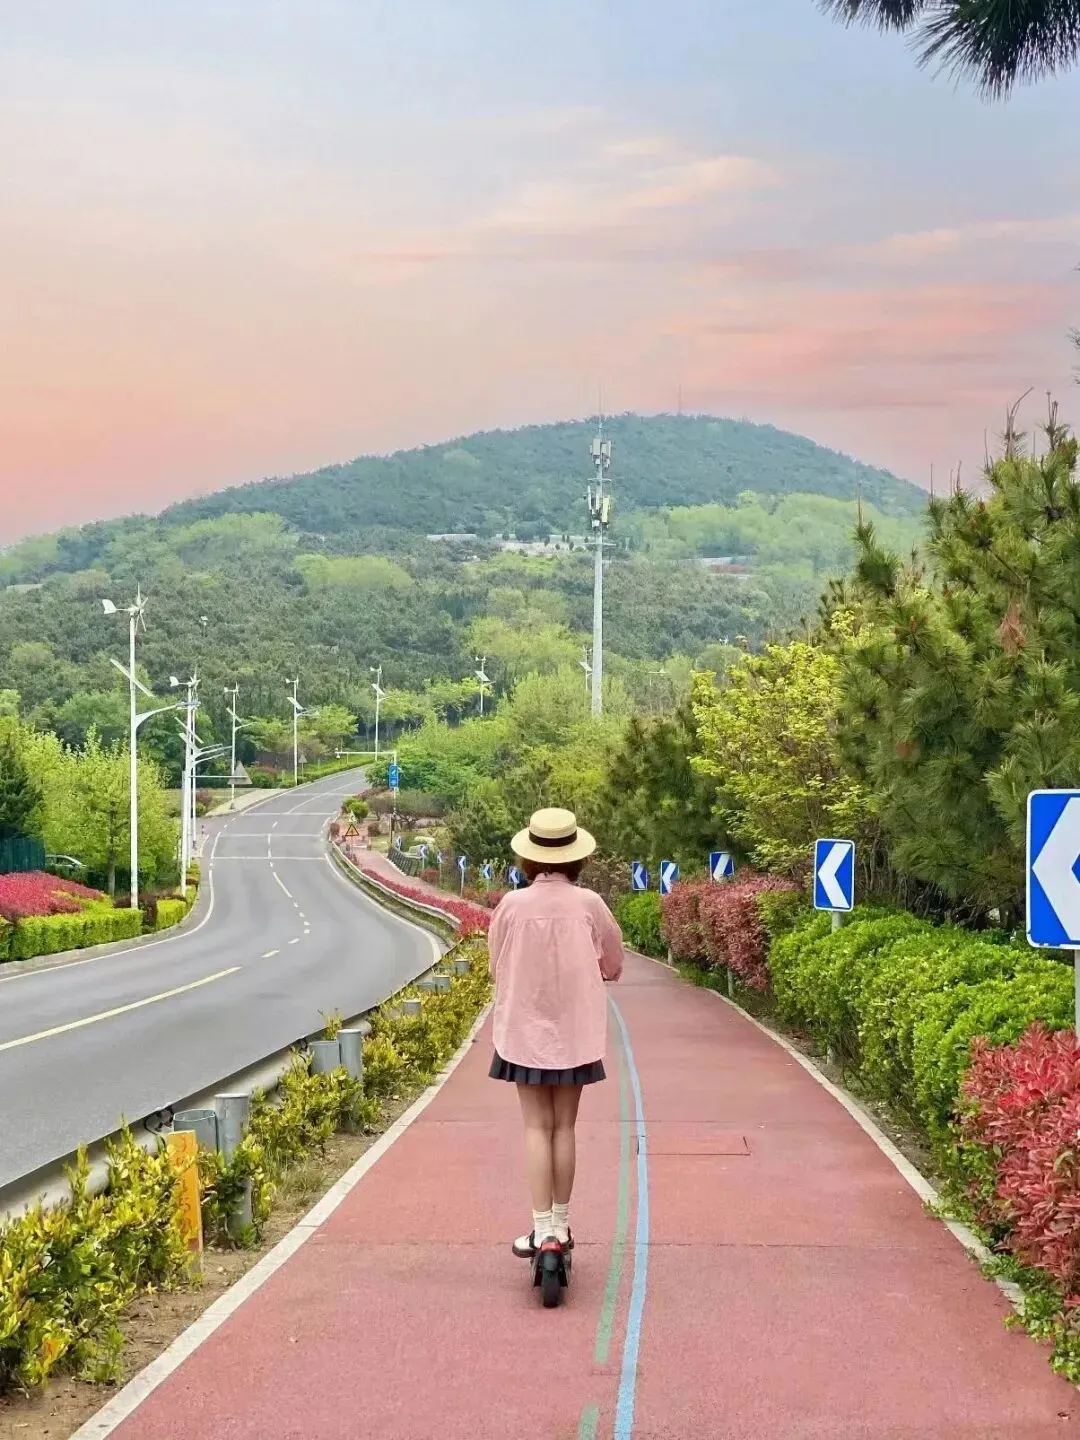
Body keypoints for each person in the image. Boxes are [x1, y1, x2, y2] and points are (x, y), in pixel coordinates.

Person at [487, 806, 624, 1258]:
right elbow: (613, 963)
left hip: (522, 1034)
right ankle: (561, 1229)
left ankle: (539, 1228)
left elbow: (495, 966)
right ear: (576, 856)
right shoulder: (590, 904)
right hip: (575, 1035)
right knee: (565, 1127)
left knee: (535, 1127)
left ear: (528, 857)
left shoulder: (511, 906)